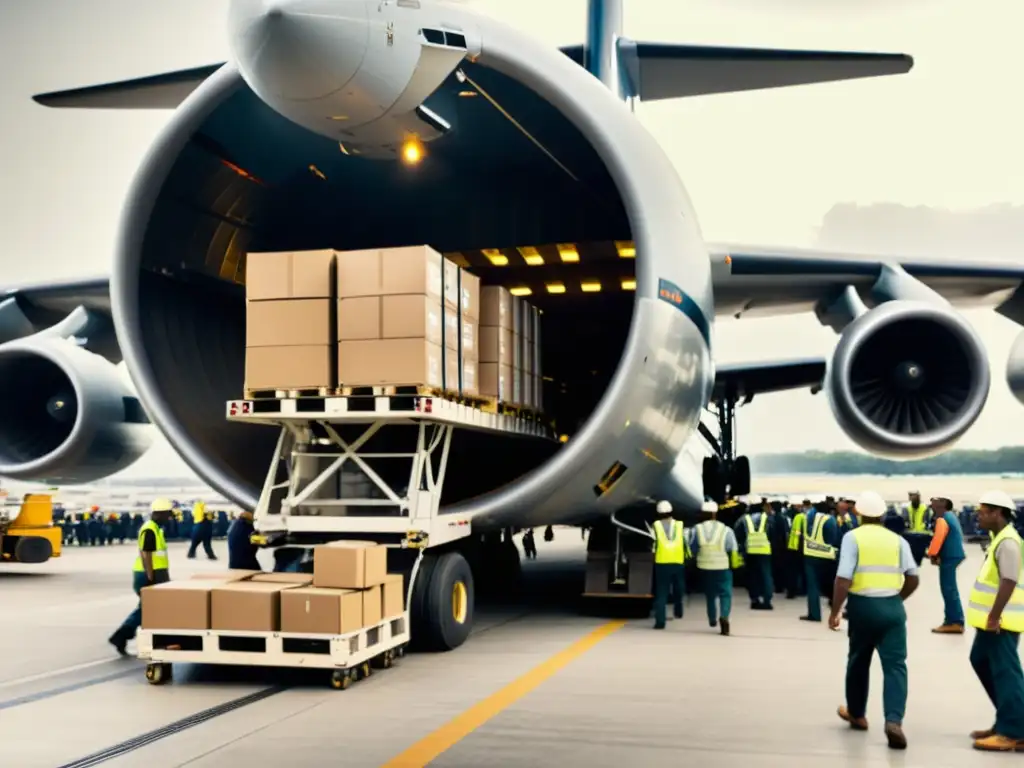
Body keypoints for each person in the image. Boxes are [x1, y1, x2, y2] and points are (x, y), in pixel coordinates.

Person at [830, 490, 919, 751]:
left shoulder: (852, 537)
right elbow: (913, 578)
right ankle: (894, 721)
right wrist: (896, 600)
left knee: (858, 660)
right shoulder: (897, 540)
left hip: (862, 607)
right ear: (882, 515)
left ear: (858, 513)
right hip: (892, 607)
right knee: (896, 666)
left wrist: (835, 610)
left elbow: (843, 578)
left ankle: (857, 714)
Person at [966, 490, 1024, 752]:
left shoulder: (1008, 542)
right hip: (993, 621)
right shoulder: (998, 538)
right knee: (980, 660)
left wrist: (994, 615)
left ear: (997, 513)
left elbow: (1009, 580)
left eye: (983, 511)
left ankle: (1012, 731)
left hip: (1002, 621)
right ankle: (1008, 720)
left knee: (1006, 672)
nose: (979, 515)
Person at [108, 498, 174, 655]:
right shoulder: (149, 529)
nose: (169, 517)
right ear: (159, 514)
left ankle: (127, 636)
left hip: (156, 574)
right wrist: (150, 576)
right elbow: (146, 555)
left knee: (149, 608)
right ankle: (121, 635)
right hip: (149, 575)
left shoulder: (156, 528)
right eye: (167, 514)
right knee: (147, 608)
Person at [689, 500, 739, 635]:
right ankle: (724, 616)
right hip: (722, 566)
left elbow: (692, 548)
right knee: (725, 594)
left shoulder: (696, 529)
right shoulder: (726, 529)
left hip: (704, 566)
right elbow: (732, 548)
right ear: (715, 513)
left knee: (710, 595)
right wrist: (735, 565)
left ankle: (712, 618)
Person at [925, 496, 966, 634]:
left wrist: (932, 554)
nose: (932, 504)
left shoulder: (942, 518)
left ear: (943, 505)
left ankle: (954, 622)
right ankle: (954, 620)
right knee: (950, 589)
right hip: (954, 554)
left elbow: (938, 537)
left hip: (949, 556)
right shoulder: (950, 516)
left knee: (948, 589)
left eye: (936, 502)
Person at [801, 499, 840, 622]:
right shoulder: (830, 520)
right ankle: (835, 610)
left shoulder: (807, 518)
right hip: (826, 557)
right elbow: (834, 538)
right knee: (830, 584)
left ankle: (814, 614)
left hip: (809, 555)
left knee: (812, 586)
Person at [651, 500, 686, 630]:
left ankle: (660, 622)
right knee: (679, 588)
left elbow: (653, 544)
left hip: (662, 562)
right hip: (678, 561)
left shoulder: (655, 526)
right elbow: (685, 542)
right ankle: (678, 609)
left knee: (661, 593)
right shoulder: (680, 525)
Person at [735, 501, 774, 610]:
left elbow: (737, 532)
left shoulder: (744, 518)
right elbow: (773, 532)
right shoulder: (767, 518)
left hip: (750, 550)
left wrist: (742, 546)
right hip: (765, 551)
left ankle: (755, 599)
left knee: (753, 577)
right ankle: (767, 600)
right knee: (766, 576)